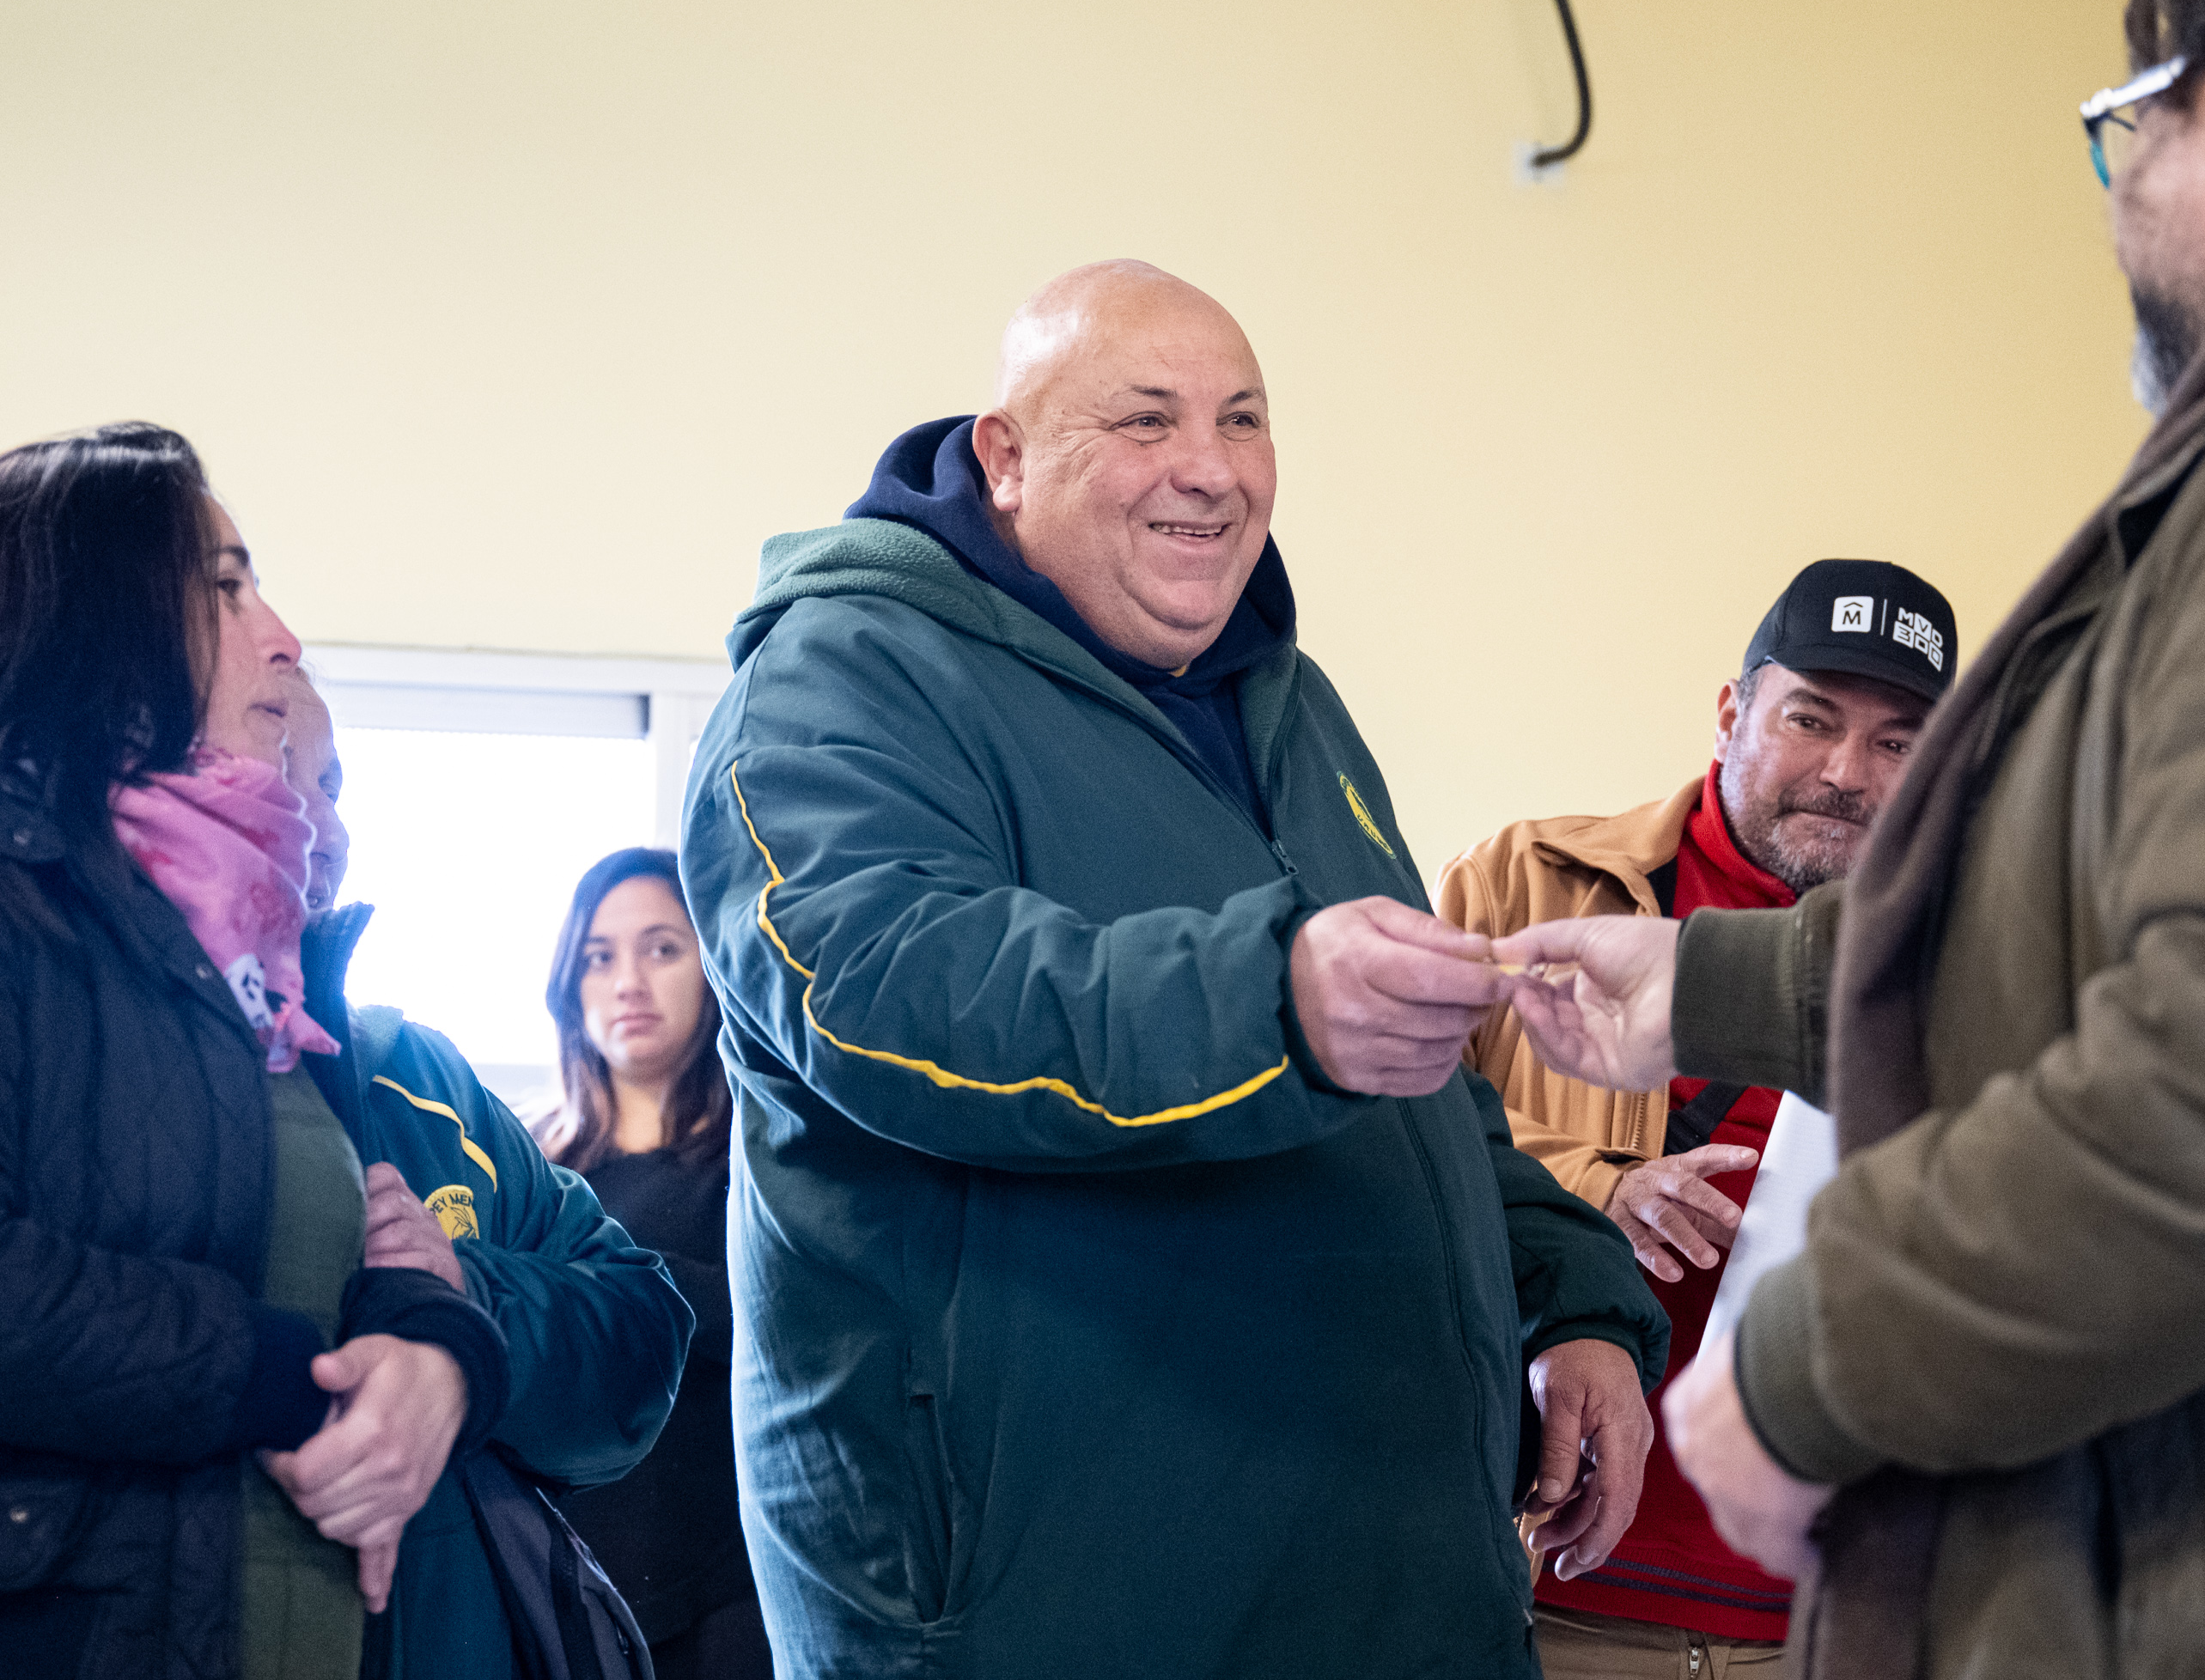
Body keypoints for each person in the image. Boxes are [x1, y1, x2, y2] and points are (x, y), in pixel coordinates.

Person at [1496, 0, 2205, 1676]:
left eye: (2124, 133)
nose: (2119, 203)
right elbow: (2089, 936)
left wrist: (1803, 1364)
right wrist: (1708, 987)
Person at [679, 259, 1670, 1678]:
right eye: (1147, 421)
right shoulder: (840, 677)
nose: (1210, 472)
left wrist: (1570, 1294)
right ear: (1005, 458)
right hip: (1055, 1614)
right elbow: (878, 993)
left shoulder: (1288, 700)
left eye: (1245, 420)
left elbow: (1412, 1076)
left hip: (1387, 1595)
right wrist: (1278, 999)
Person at [0, 424, 508, 1679]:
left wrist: (441, 1357)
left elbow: (361, 1241)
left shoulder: (249, 931)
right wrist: (289, 1378)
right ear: (79, 618)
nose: (281, 634)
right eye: (226, 584)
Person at [1438, 559, 1952, 1678]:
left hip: (1841, 1626)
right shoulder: (1525, 884)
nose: (1844, 773)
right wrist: (1595, 1190)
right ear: (1733, 712)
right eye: (1810, 720)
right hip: (1539, 1600)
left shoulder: (1967, 970)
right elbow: (1387, 1164)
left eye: (1897, 743)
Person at [277, 671, 697, 1679]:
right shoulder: (75, 1067)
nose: (324, 828)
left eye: (334, 784)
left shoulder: (424, 1079)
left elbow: (646, 1320)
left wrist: (467, 1301)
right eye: (279, 774)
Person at [532, 846, 771, 1680]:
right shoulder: (529, 1170)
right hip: (564, 1581)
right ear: (573, 982)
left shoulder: (766, 1152)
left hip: (730, 1587)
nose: (628, 979)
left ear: (710, 965)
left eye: (662, 947)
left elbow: (787, 1319)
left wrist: (596, 1282)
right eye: (601, 956)